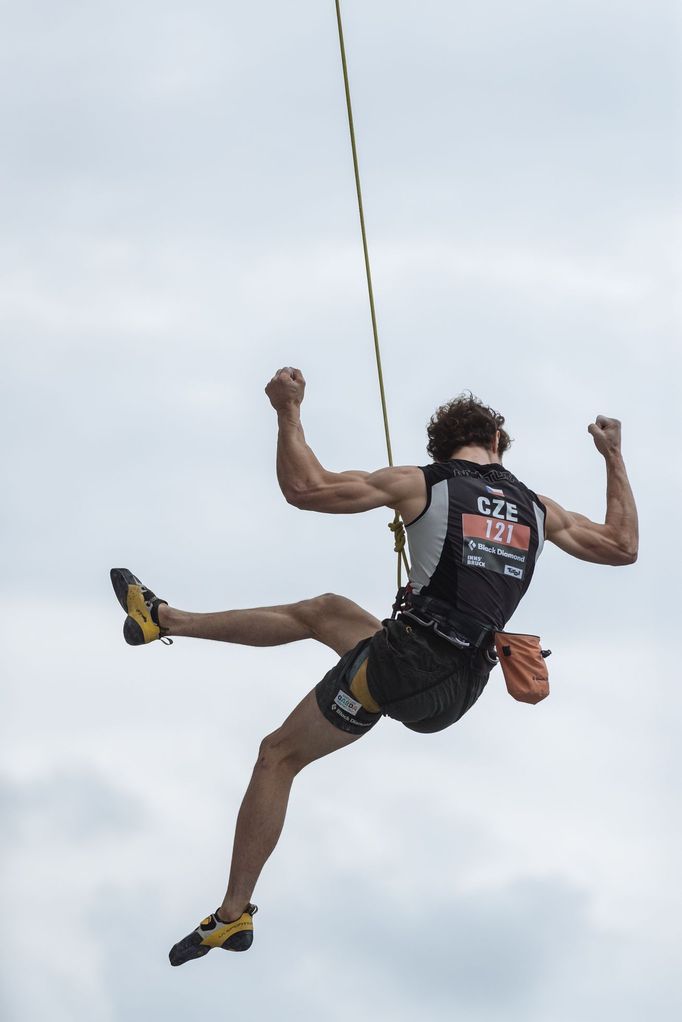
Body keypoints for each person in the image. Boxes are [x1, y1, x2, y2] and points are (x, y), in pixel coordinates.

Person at [110, 367, 638, 966]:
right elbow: (622, 547)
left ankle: (233, 915)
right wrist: (613, 457)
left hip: (408, 665)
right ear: (497, 440)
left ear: (441, 445)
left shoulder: (423, 481)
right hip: (461, 689)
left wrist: (287, 409)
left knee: (277, 756)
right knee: (328, 612)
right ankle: (165, 620)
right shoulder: (540, 510)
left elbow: (305, 489)